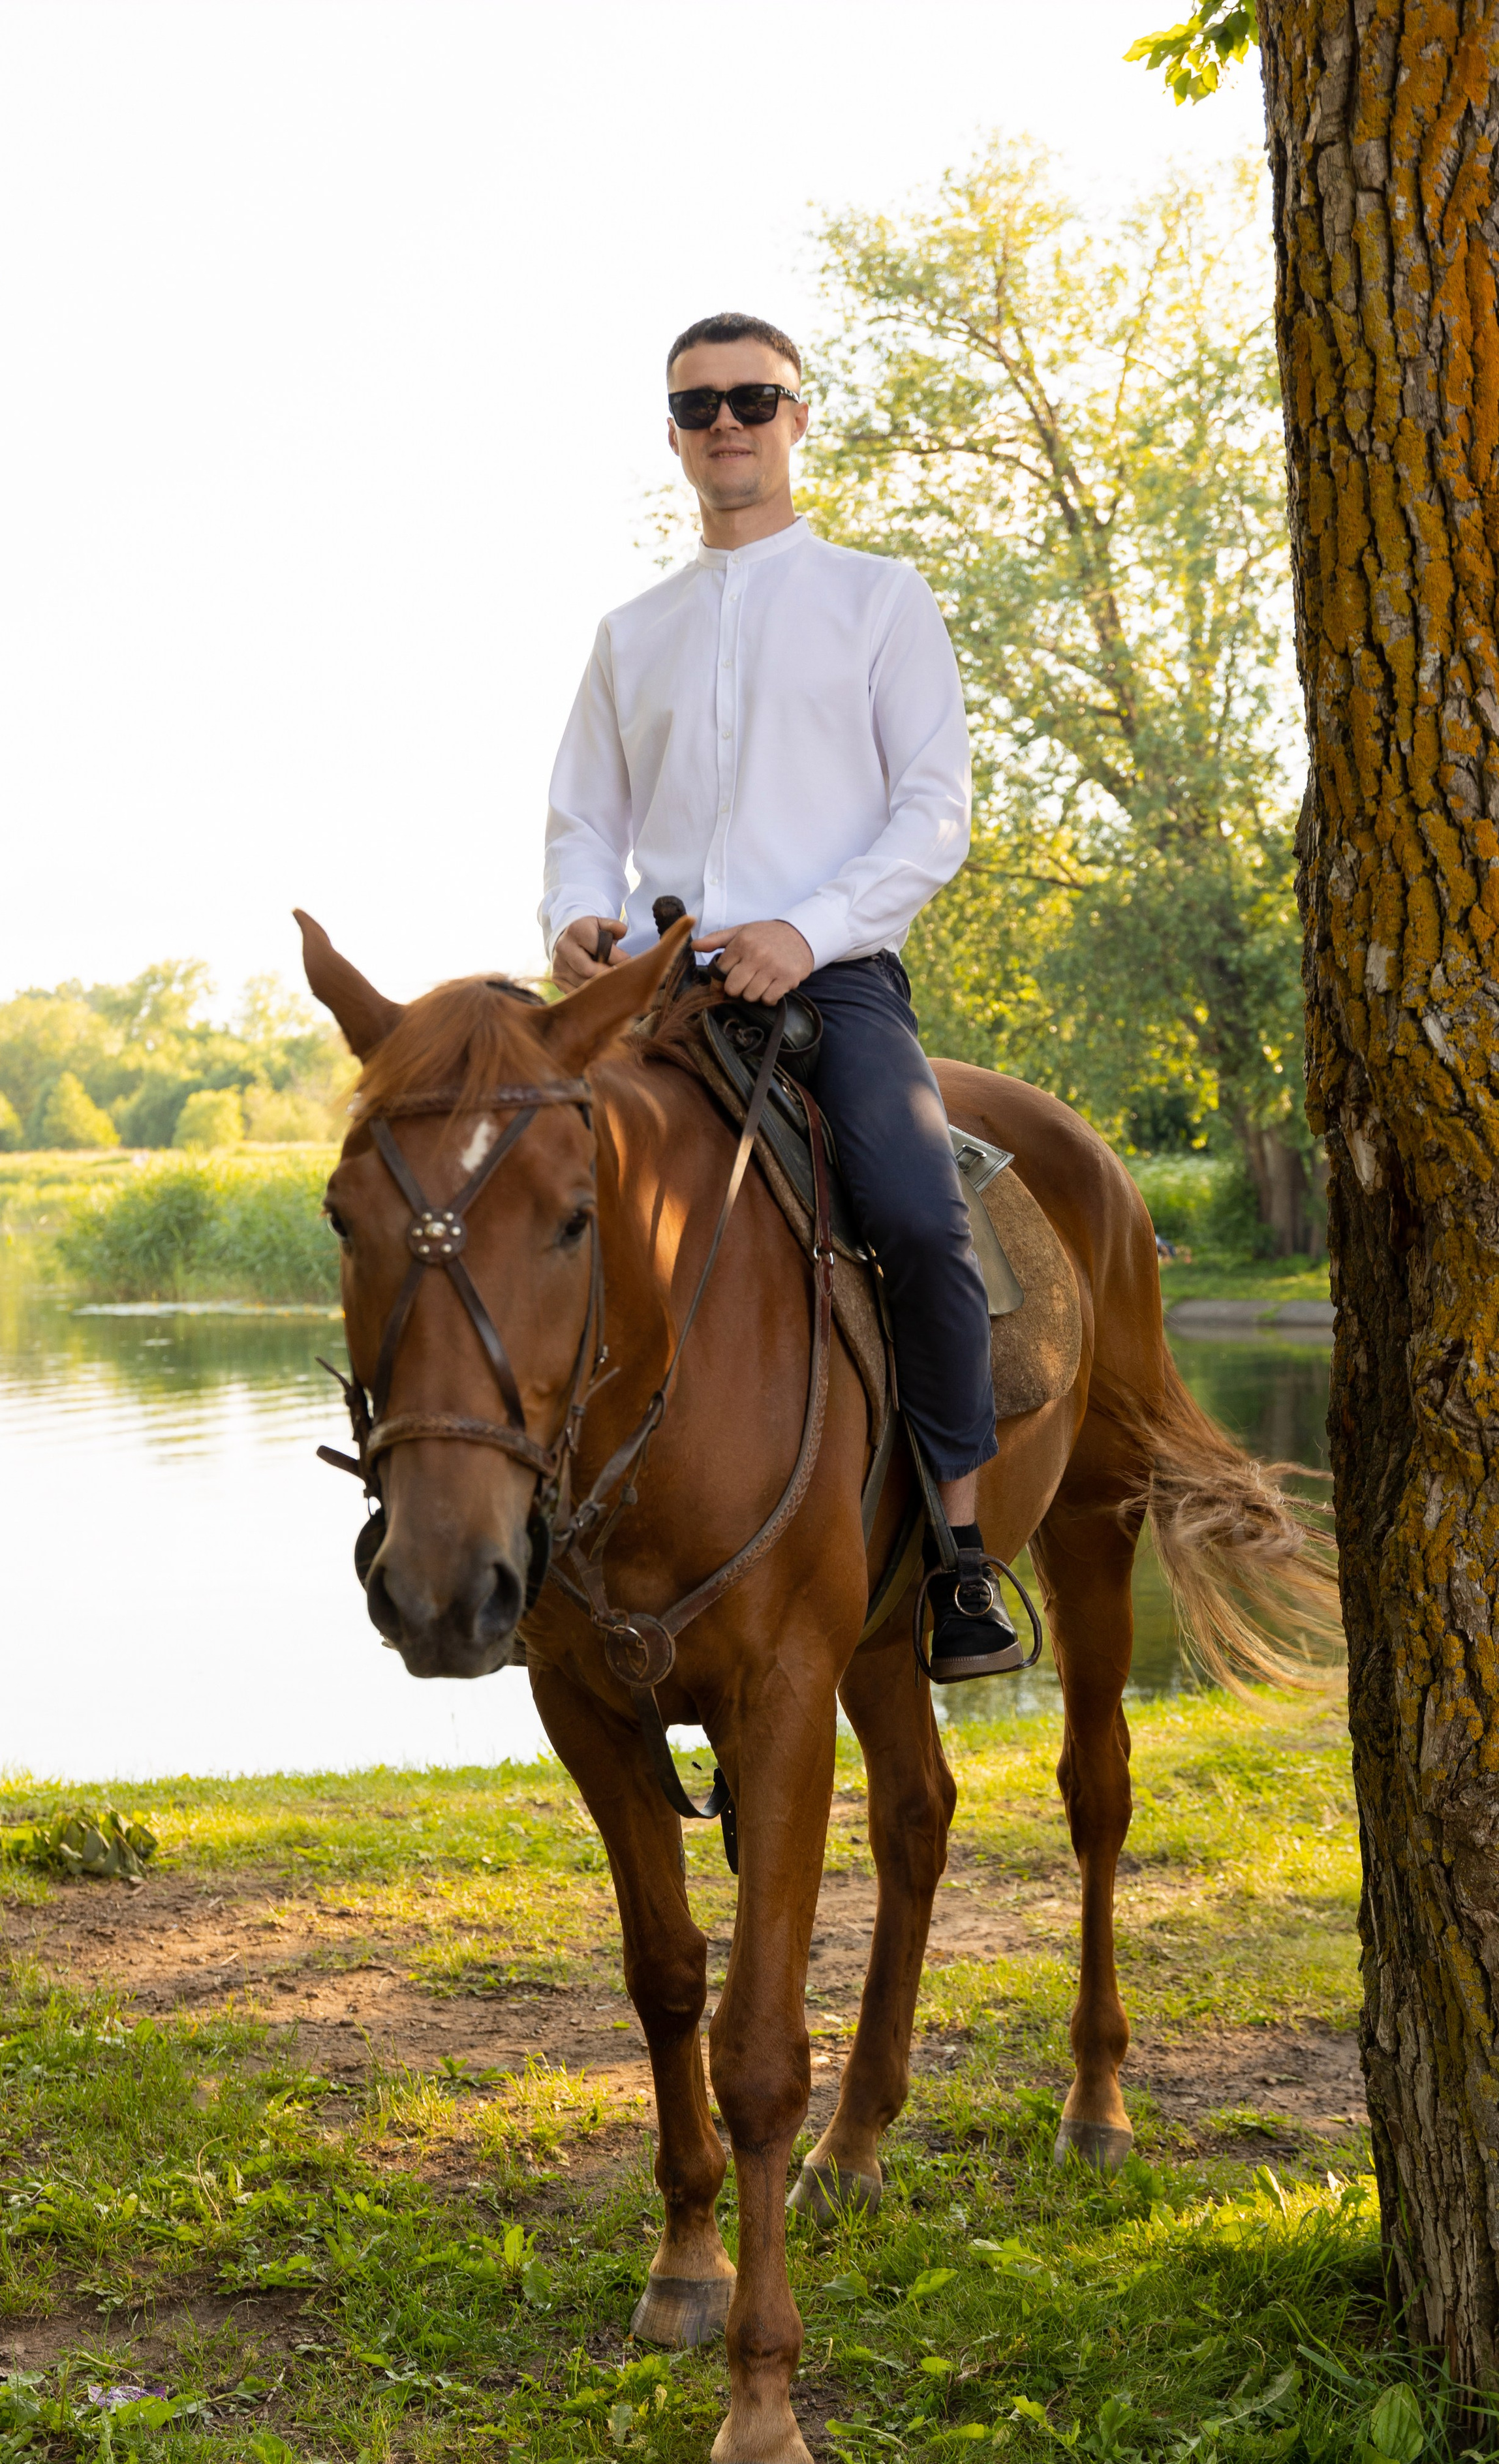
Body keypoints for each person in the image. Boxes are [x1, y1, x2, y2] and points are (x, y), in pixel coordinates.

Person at [540, 310, 1019, 1674]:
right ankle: (520, 1547)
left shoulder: (881, 597)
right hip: (657, 995)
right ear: (672, 436)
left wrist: (803, 935)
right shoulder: (629, 635)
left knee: (922, 1227)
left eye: (753, 398)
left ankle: (959, 1557)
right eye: (698, 408)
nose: (727, 424)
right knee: (503, 1200)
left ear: (799, 417)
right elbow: (582, 816)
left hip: (835, 983)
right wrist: (579, 918)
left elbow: (932, 817)